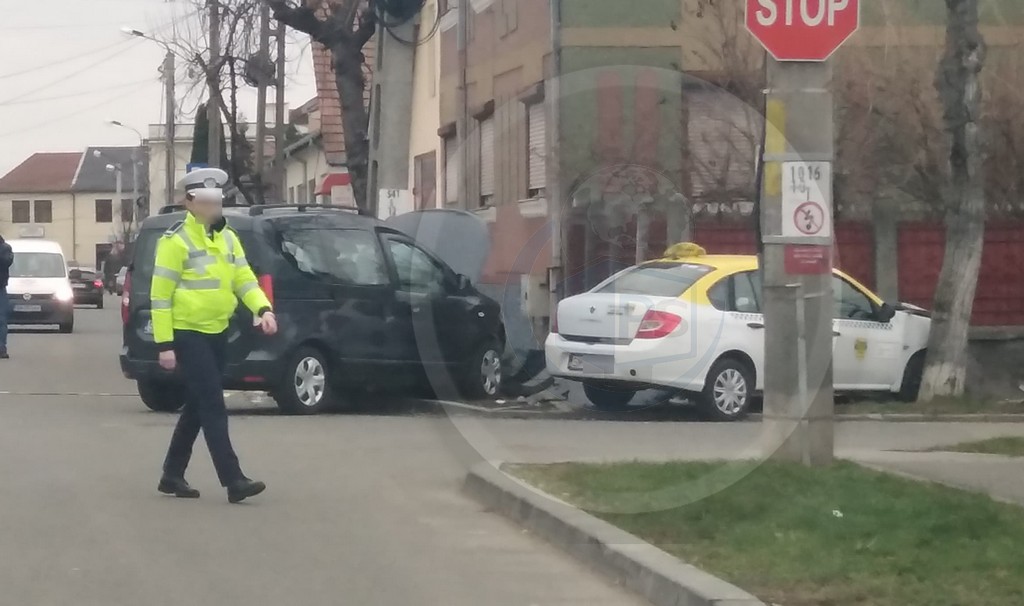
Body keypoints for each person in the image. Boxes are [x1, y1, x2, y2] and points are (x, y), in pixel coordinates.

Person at [151, 168, 278, 503]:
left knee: (197, 403)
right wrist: (164, 344)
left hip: (218, 331)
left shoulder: (228, 237)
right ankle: (233, 479)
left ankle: (171, 474)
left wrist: (263, 309)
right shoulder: (174, 241)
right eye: (205, 202)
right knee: (211, 404)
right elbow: (160, 296)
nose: (213, 208)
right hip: (187, 332)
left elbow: (244, 279)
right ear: (188, 202)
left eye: (217, 201)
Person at [0, 234, 13, 360]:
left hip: (0, 288)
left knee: (1, 320)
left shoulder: (5, 248)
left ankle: (1, 348)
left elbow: (6, 261)